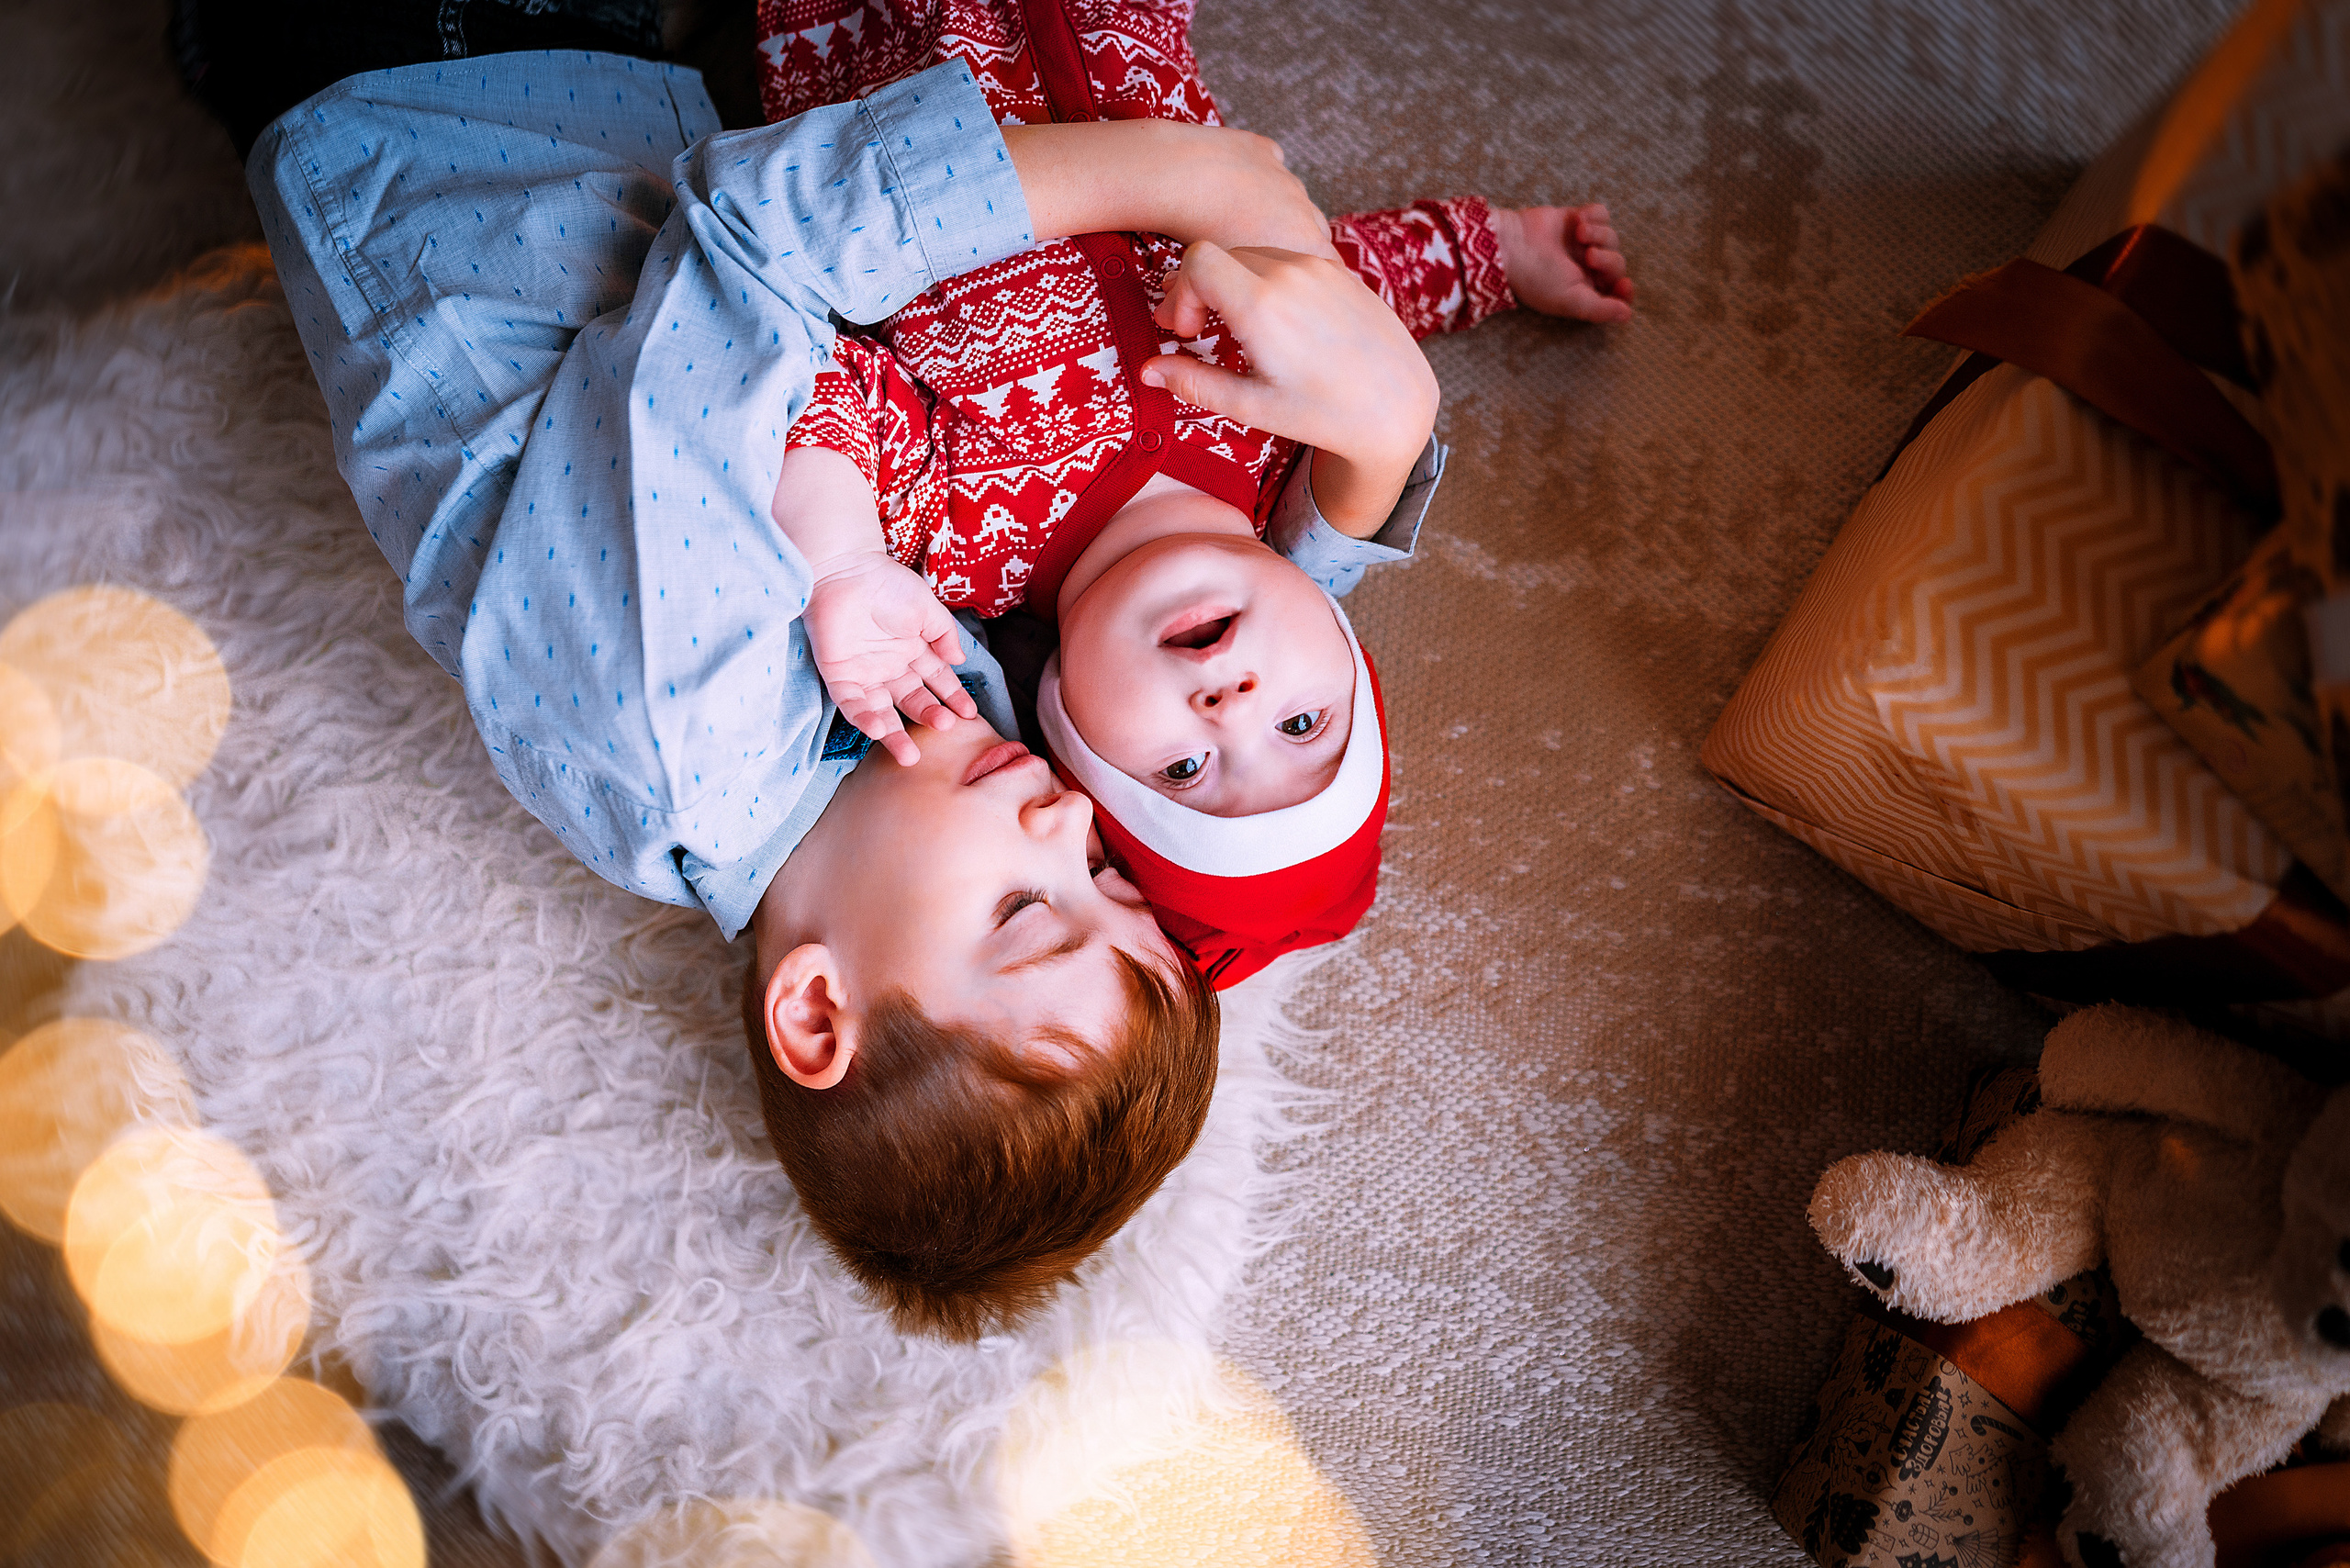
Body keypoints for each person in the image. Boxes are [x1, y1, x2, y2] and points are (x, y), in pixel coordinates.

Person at [207, 5, 1438, 1332]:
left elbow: (748, 237)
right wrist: (1382, 442)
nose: (1074, 816)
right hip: (644, 105)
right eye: (1104, 874)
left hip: (446, 75)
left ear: (816, 1010)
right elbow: (1218, 654)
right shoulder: (927, 790)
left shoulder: (676, 708)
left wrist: (1168, 175)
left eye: (1034, 910)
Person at [754, 0, 1636, 985]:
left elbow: (815, 387)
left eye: (1184, 772)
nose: (1231, 705)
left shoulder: (961, 535)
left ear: (1069, 740)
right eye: (1303, 727)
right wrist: (1491, 252)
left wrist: (840, 560)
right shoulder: (1289, 436)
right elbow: (1346, 286)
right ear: (1342, 642)